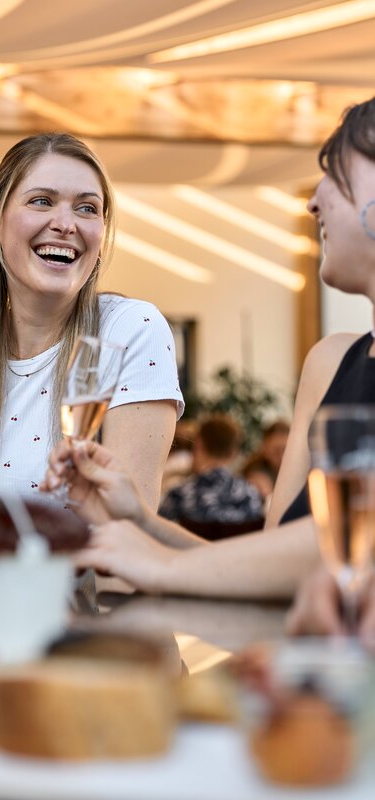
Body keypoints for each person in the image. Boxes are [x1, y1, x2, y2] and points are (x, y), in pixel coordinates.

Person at [43, 97, 375, 636]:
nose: (313, 202)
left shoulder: (126, 326)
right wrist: (141, 521)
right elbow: (271, 570)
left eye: (333, 176)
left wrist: (160, 563)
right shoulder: (331, 362)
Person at [0, 132, 183, 509]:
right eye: (41, 201)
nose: (66, 224)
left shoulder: (128, 330)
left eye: (86, 208)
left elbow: (127, 539)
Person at [159, 414, 263, 530]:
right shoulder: (250, 497)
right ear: (233, 453)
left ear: (199, 444)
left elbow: (154, 533)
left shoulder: (180, 495)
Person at [240, 420, 290, 505]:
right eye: (276, 451)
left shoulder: (297, 469)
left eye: (285, 450)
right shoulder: (256, 473)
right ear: (264, 448)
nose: (281, 456)